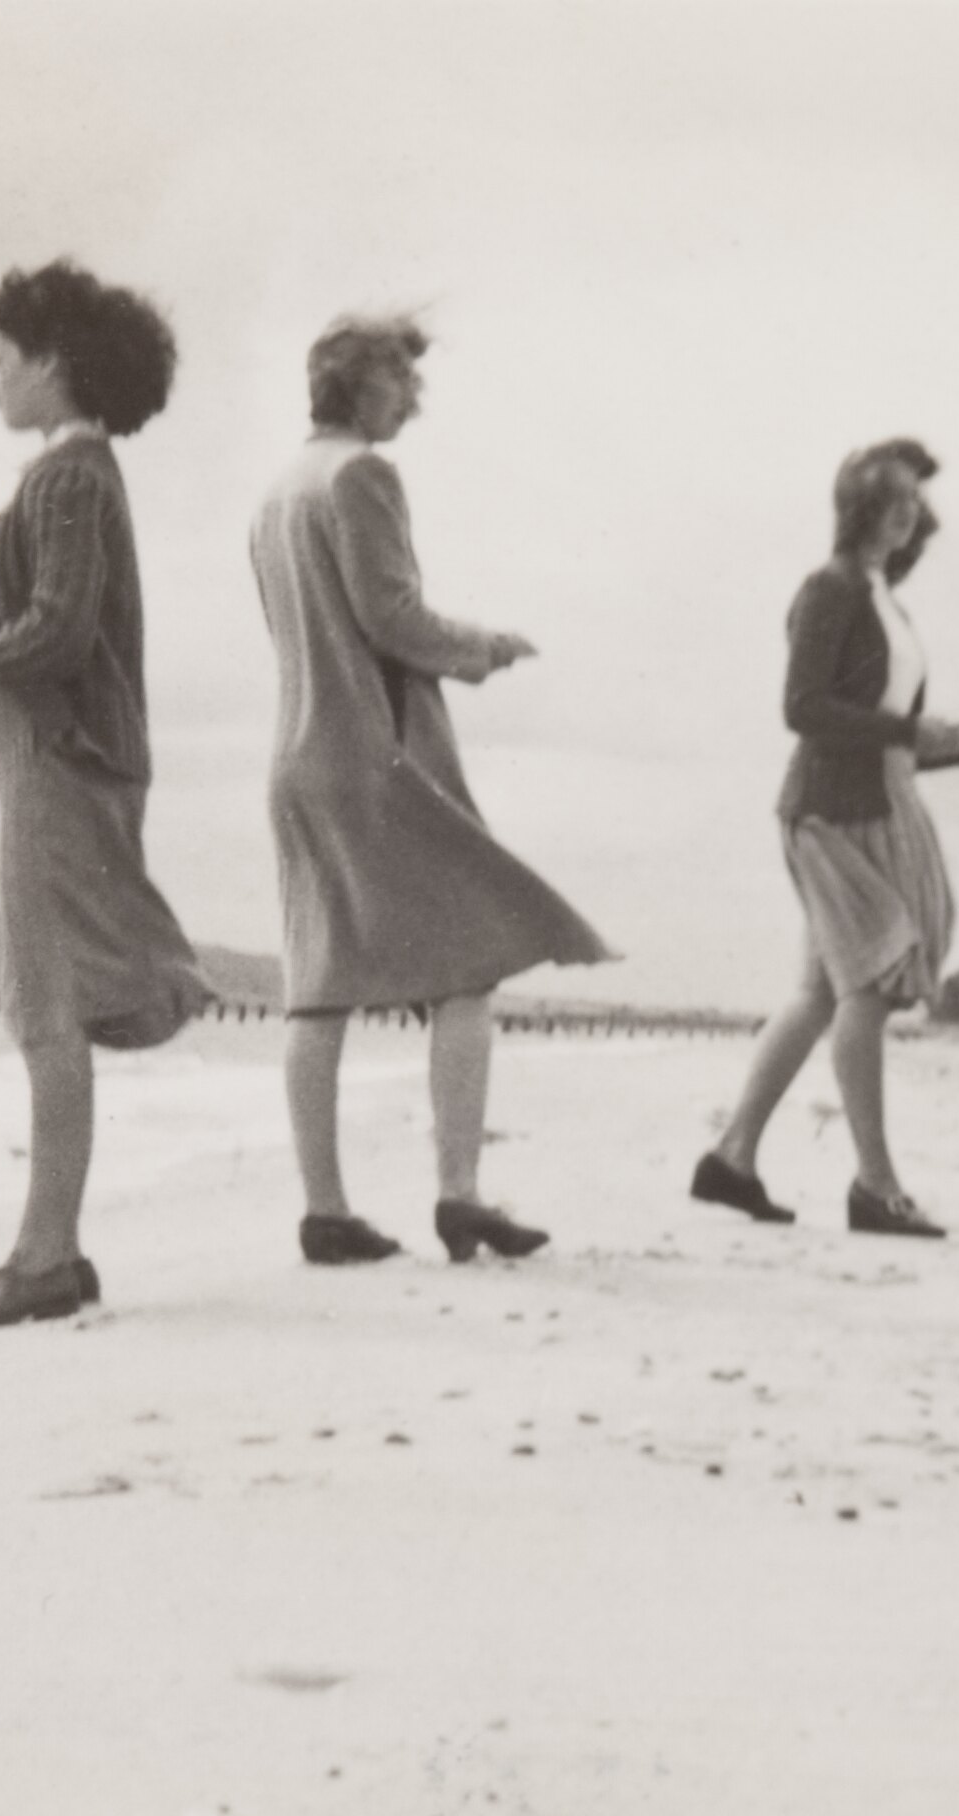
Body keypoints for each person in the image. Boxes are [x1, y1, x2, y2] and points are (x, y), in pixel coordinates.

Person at [0, 260, 213, 1334]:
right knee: (51, 998)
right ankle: (49, 1252)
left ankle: (46, 1257)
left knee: (47, 1004)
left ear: (53, 365)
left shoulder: (69, 478)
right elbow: (53, 635)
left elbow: (61, 632)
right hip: (59, 754)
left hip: (60, 763)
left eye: (2, 361)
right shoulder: (74, 476)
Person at [247, 313, 611, 1266]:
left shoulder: (277, 489)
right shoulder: (361, 476)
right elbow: (392, 619)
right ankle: (458, 1194)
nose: (413, 399)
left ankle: (325, 1212)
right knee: (470, 955)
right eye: (401, 381)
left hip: (297, 755)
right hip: (374, 755)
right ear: (357, 385)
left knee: (318, 983)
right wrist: (485, 648)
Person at [690, 439, 959, 1239]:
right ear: (860, 504)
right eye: (894, 495)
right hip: (833, 812)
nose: (908, 510)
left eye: (915, 498)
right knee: (864, 989)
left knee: (819, 994)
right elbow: (802, 709)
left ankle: (731, 1159)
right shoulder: (830, 588)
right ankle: (874, 1186)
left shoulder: (883, 601)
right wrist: (912, 732)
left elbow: (891, 739)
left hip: (875, 801)